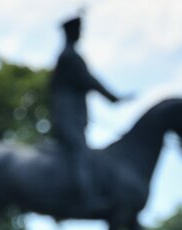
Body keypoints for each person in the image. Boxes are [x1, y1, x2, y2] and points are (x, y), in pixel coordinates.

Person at [49, 14, 128, 209]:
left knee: (80, 152)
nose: (80, 33)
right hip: (68, 117)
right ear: (71, 32)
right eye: (78, 30)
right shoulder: (69, 57)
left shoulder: (68, 57)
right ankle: (84, 195)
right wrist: (113, 98)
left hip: (72, 117)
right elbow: (89, 80)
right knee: (79, 153)